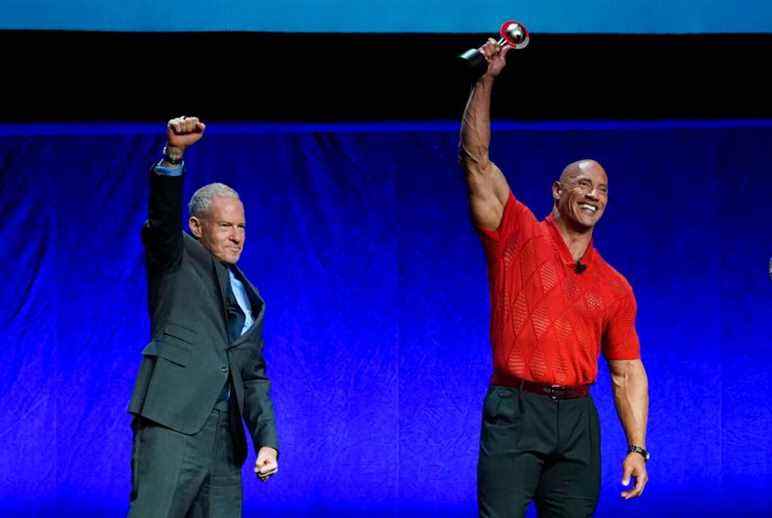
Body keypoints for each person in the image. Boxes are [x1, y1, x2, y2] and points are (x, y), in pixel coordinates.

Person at [459, 40, 650, 517]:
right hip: (516, 410)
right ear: (558, 190)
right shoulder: (517, 233)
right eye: (584, 184)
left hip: (578, 421)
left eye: (603, 189)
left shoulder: (614, 285)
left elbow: (627, 373)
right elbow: (475, 160)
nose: (594, 195)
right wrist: (487, 79)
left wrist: (637, 447)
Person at [128, 116, 279, 517]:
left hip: (225, 442)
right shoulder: (175, 258)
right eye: (225, 225)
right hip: (174, 423)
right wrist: (174, 155)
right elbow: (161, 220)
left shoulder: (251, 297)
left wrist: (267, 440)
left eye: (242, 226)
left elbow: (253, 375)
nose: (236, 235)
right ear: (196, 227)